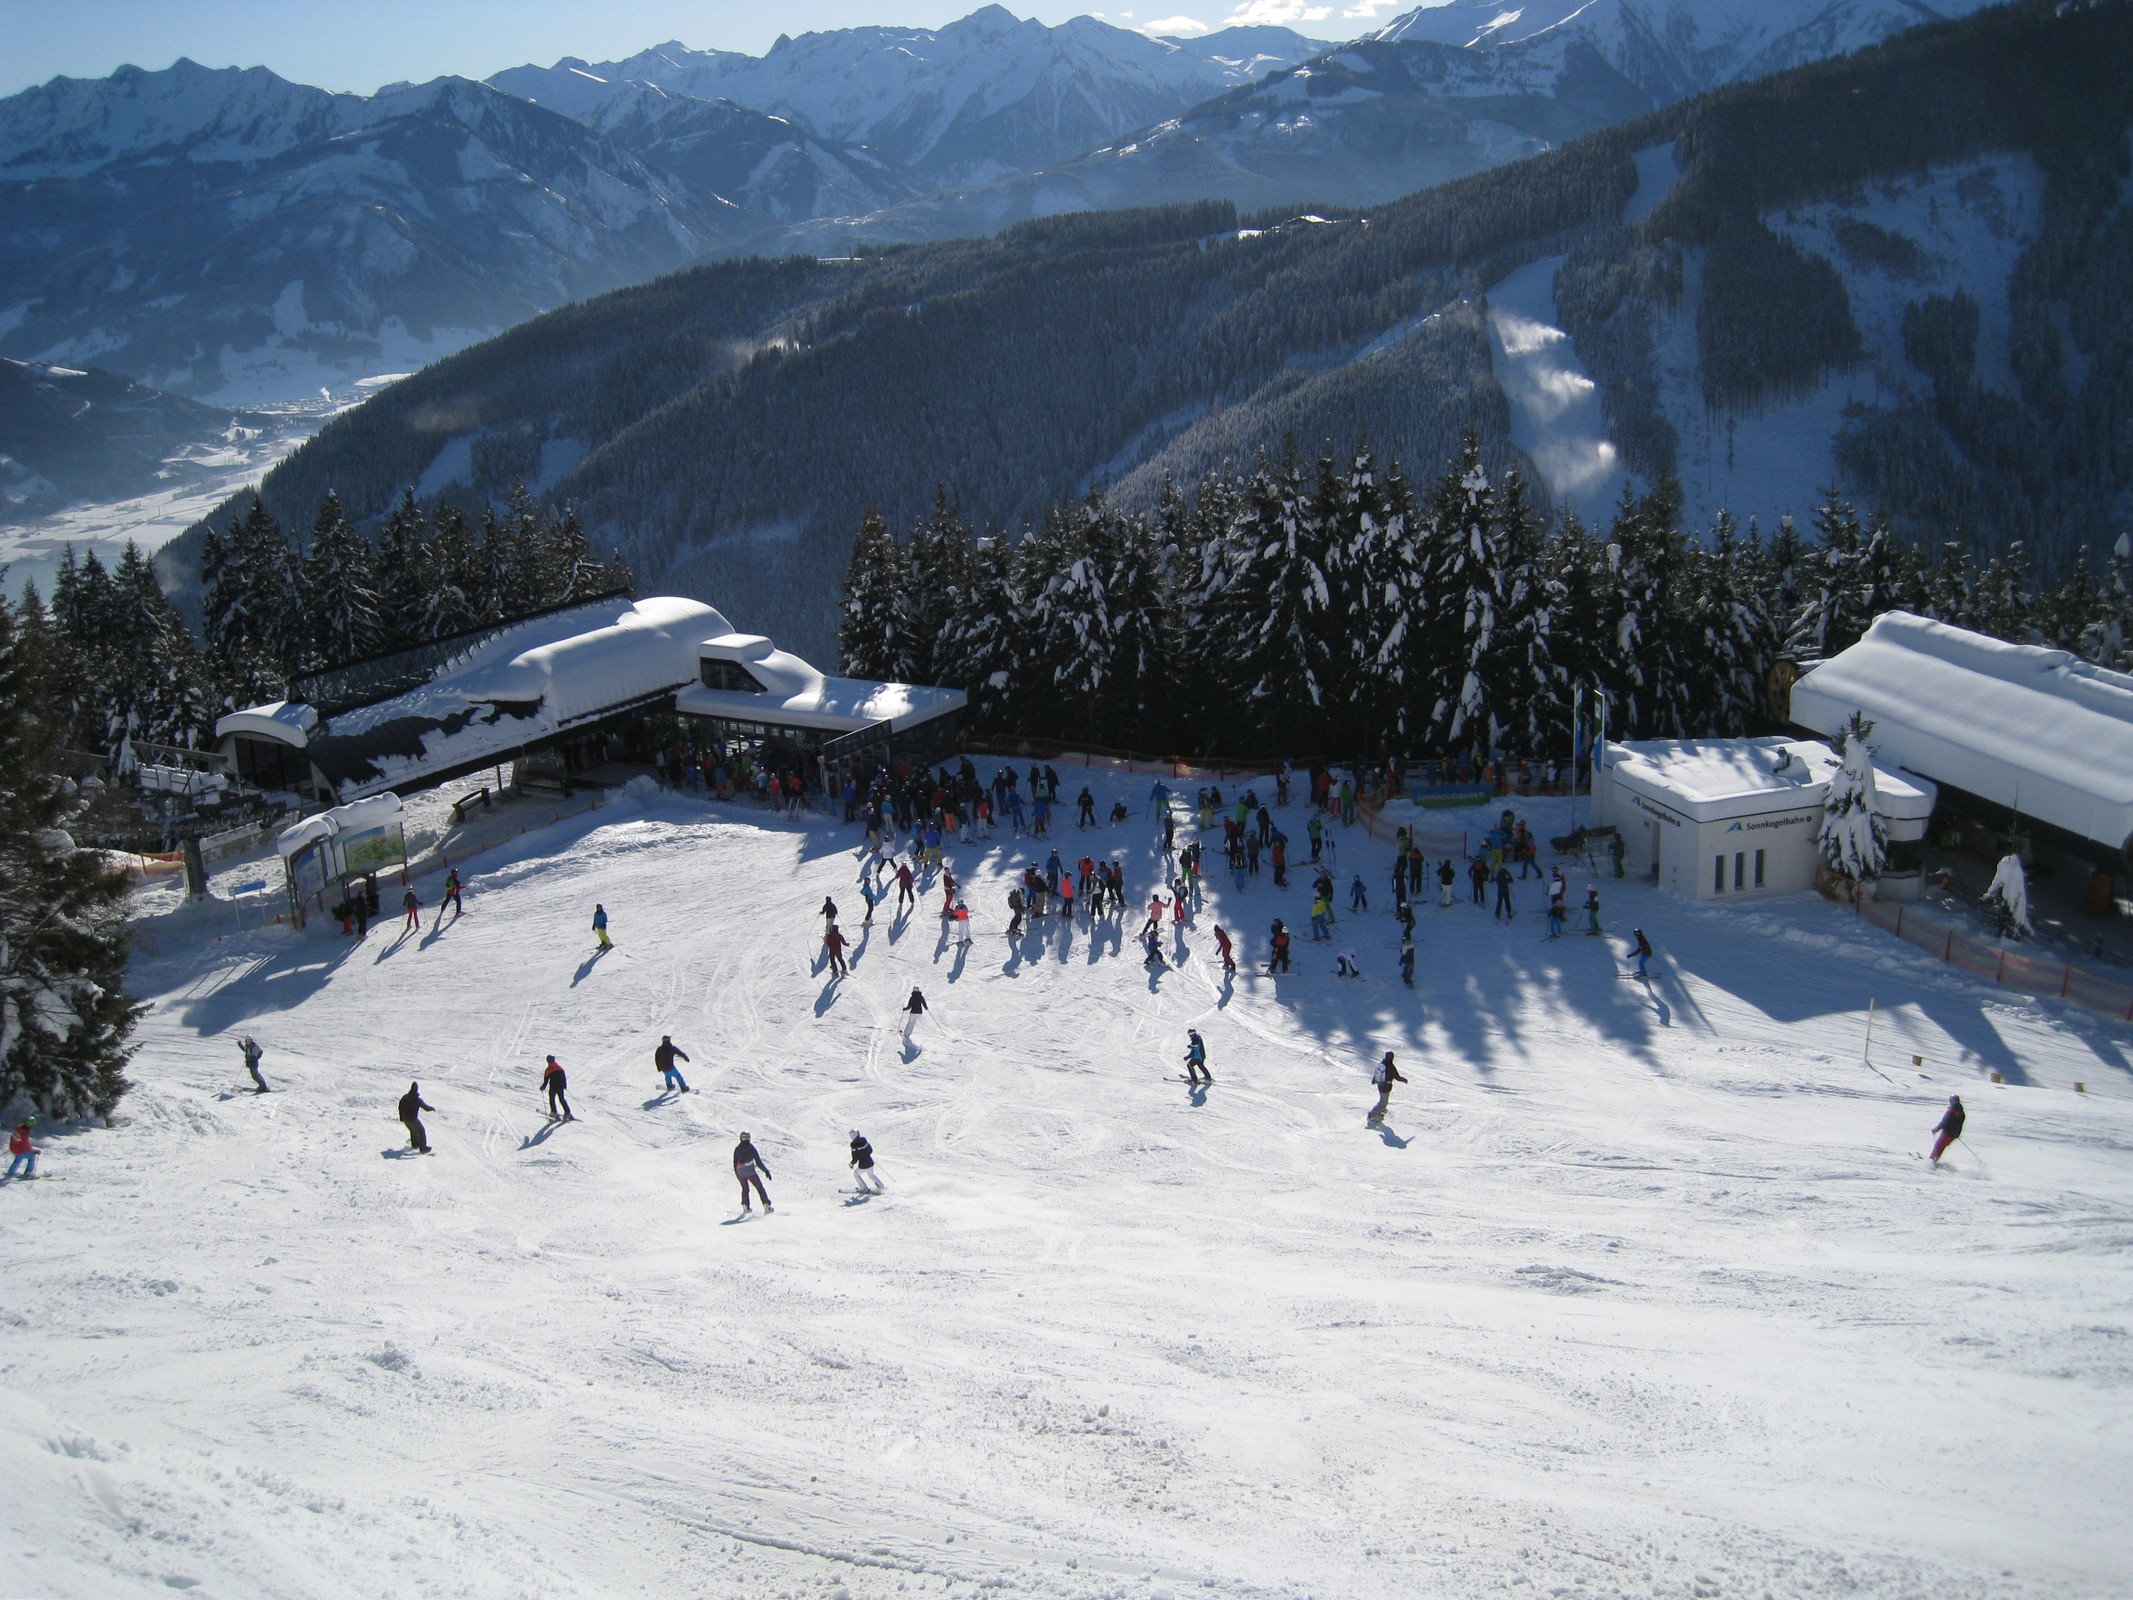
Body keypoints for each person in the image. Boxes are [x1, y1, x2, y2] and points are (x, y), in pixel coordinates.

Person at [734, 1133, 773, 1213]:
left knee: (745, 1189)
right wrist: (766, 1171)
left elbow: (735, 1162)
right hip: (750, 1171)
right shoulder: (751, 1148)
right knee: (759, 1188)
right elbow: (758, 1162)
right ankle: (767, 1206)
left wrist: (737, 1174)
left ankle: (745, 1207)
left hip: (740, 1171)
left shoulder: (737, 1149)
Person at [1369, 1051, 1405, 1122]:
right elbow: (1397, 1077)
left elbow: (1377, 1073)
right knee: (1382, 1103)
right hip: (1386, 1087)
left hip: (1380, 1085)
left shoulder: (1382, 1063)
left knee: (1383, 1101)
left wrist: (1374, 1080)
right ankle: (1372, 1115)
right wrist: (1404, 1080)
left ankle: (1379, 1114)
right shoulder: (1391, 1066)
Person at [398, 1082, 434, 1154]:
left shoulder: (405, 1097)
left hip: (405, 1118)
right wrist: (431, 1108)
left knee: (413, 1130)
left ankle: (415, 1144)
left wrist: (401, 1117)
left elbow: (400, 1107)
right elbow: (426, 1107)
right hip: (412, 1119)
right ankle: (423, 1148)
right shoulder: (416, 1099)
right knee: (421, 1130)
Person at [1930, 1095, 1966, 1164]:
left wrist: (1936, 1129)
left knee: (1938, 1146)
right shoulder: (1961, 1112)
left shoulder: (1951, 1111)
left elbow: (1944, 1122)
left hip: (1947, 1133)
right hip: (1953, 1135)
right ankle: (1935, 1160)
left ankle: (1932, 1161)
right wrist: (1957, 1134)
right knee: (1941, 1146)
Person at [541, 1055, 573, 1120]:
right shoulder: (559, 1068)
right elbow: (563, 1077)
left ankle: (554, 1112)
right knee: (562, 1099)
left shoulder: (548, 1070)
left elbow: (546, 1081)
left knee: (552, 1098)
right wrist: (564, 1085)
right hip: (560, 1086)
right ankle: (567, 1112)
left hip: (553, 1087)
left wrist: (543, 1087)